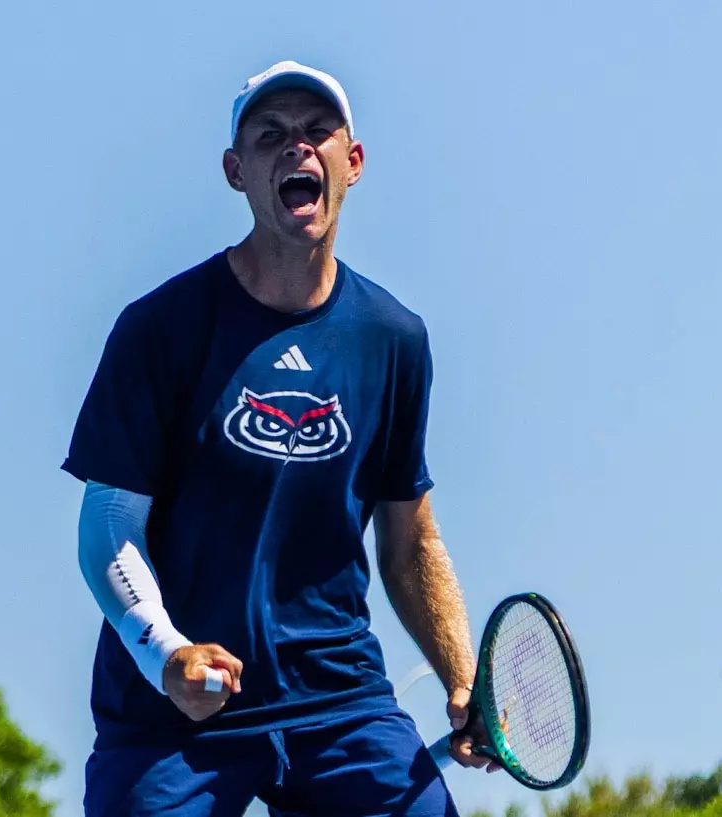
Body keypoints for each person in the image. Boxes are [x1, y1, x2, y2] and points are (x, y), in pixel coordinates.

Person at [63, 60, 493, 817]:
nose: (298, 148)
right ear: (237, 172)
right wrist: (167, 655)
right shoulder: (160, 329)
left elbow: (410, 539)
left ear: (352, 163)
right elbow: (107, 522)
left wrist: (460, 675)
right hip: (174, 717)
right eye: (270, 136)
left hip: (339, 702)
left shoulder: (394, 338)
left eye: (316, 131)